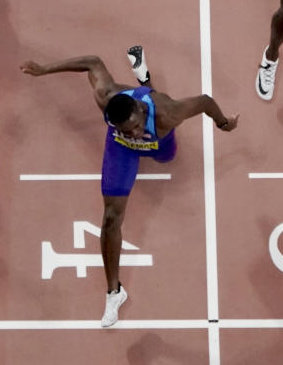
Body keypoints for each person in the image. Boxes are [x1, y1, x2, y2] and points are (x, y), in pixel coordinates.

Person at [20, 46, 238, 327]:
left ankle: (144, 80)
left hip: (158, 141)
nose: (134, 132)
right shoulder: (107, 99)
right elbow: (92, 61)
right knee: (111, 219)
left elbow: (206, 101)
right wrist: (43, 69)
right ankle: (114, 293)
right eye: (126, 128)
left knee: (166, 158)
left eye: (135, 126)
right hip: (120, 149)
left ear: (140, 110)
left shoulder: (167, 113)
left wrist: (223, 124)